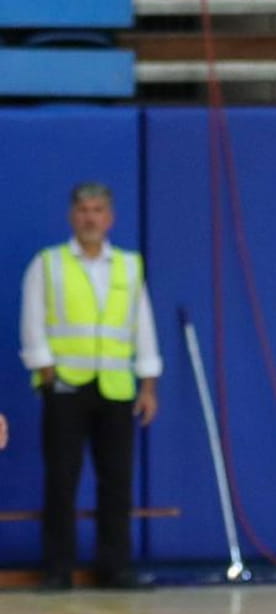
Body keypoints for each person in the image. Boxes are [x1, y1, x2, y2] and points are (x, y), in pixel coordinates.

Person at [20, 182, 162, 591]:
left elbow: (142, 324)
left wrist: (148, 384)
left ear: (110, 218)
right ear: (72, 216)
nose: (90, 218)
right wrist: (47, 372)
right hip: (66, 385)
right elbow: (33, 320)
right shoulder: (48, 263)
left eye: (98, 210)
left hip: (115, 386)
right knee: (62, 478)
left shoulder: (129, 266)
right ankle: (57, 568)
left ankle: (114, 567)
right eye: (83, 210)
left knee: (117, 479)